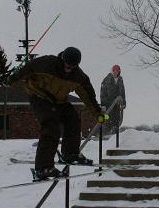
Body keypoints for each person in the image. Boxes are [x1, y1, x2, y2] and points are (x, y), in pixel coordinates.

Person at [10, 47, 108, 180]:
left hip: (58, 100)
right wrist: (12, 79)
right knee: (51, 125)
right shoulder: (47, 63)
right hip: (38, 95)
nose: (69, 68)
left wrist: (98, 114)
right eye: (67, 65)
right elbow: (27, 68)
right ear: (62, 60)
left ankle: (70, 154)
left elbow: (89, 98)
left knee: (73, 119)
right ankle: (43, 167)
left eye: (72, 67)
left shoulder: (79, 77)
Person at [100, 64, 126, 134]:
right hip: (108, 104)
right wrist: (103, 104)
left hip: (117, 104)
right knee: (108, 120)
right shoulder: (106, 79)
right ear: (112, 71)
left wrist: (124, 103)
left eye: (117, 71)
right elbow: (102, 93)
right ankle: (106, 136)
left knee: (117, 120)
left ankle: (115, 136)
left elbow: (122, 92)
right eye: (114, 71)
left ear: (119, 72)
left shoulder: (120, 79)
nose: (115, 72)